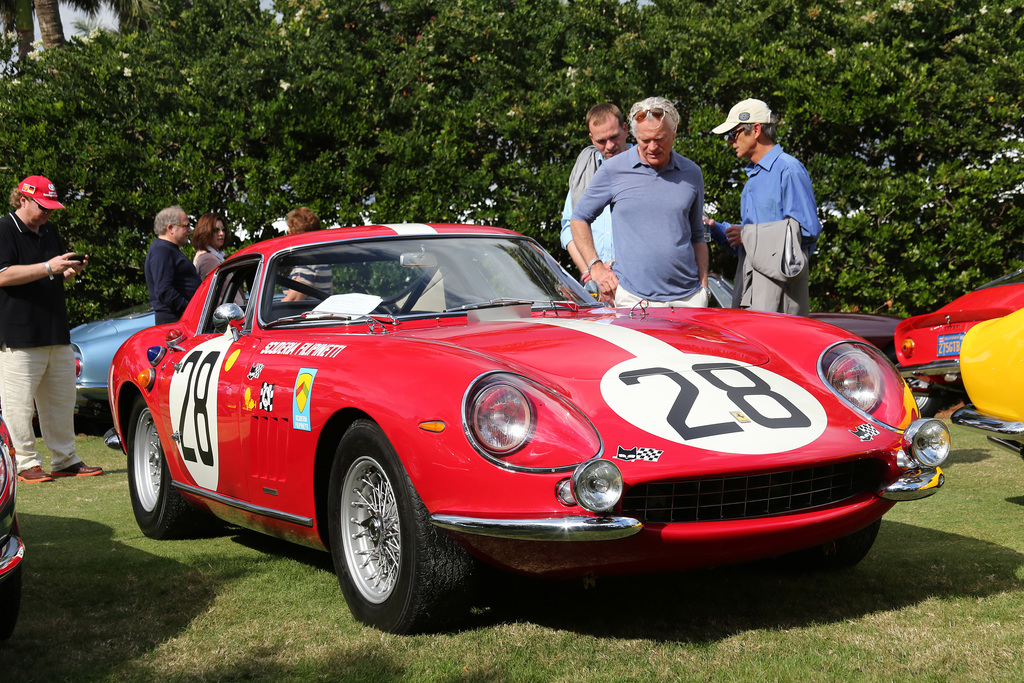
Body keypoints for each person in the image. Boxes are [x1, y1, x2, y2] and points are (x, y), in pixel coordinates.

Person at [0, 175, 103, 483]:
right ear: (23, 200)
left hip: (55, 330)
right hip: (19, 334)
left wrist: (69, 270)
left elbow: (56, 274)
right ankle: (25, 463)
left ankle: (65, 458)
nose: (48, 213)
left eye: (51, 207)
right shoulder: (4, 229)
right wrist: (49, 267)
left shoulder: (50, 231)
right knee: (18, 404)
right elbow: (3, 275)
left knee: (60, 400)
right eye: (42, 206)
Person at [570, 96, 708, 308]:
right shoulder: (613, 169)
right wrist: (595, 267)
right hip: (634, 300)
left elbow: (698, 234)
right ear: (634, 135)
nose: (652, 147)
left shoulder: (692, 173)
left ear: (674, 133)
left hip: (688, 298)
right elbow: (578, 218)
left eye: (660, 139)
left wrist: (703, 287)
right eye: (644, 140)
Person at [705, 98, 821, 315]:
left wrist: (748, 234)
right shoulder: (754, 178)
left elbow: (807, 231)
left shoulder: (789, 170)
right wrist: (716, 229)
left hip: (781, 294)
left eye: (734, 133)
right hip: (751, 290)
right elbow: (751, 244)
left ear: (756, 129)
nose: (730, 141)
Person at [558, 103, 630, 278]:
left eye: (614, 137)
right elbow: (568, 227)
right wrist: (590, 270)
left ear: (625, 129)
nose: (610, 145)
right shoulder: (584, 172)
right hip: (595, 284)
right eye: (601, 141)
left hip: (634, 281)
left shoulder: (646, 168)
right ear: (591, 139)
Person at [145, 205, 201, 325]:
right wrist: (190, 311)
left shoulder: (167, 249)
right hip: (175, 322)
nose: (190, 230)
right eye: (186, 226)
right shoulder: (161, 250)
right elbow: (164, 291)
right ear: (170, 228)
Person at [281, 207, 332, 302]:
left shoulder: (307, 265)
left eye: (290, 231)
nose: (287, 233)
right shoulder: (321, 262)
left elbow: (292, 301)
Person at [191, 213, 228, 281]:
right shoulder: (208, 259)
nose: (221, 233)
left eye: (223, 230)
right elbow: (222, 290)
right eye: (216, 230)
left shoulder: (214, 256)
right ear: (205, 232)